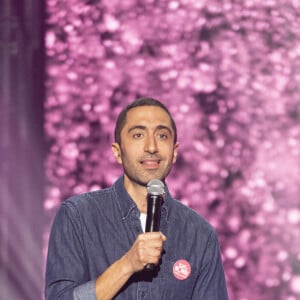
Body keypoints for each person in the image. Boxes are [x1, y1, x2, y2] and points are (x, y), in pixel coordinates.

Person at [45, 97, 229, 300]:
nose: (151, 147)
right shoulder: (78, 216)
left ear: (174, 152)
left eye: (162, 135)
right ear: (117, 152)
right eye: (138, 135)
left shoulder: (199, 234)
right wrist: (128, 264)